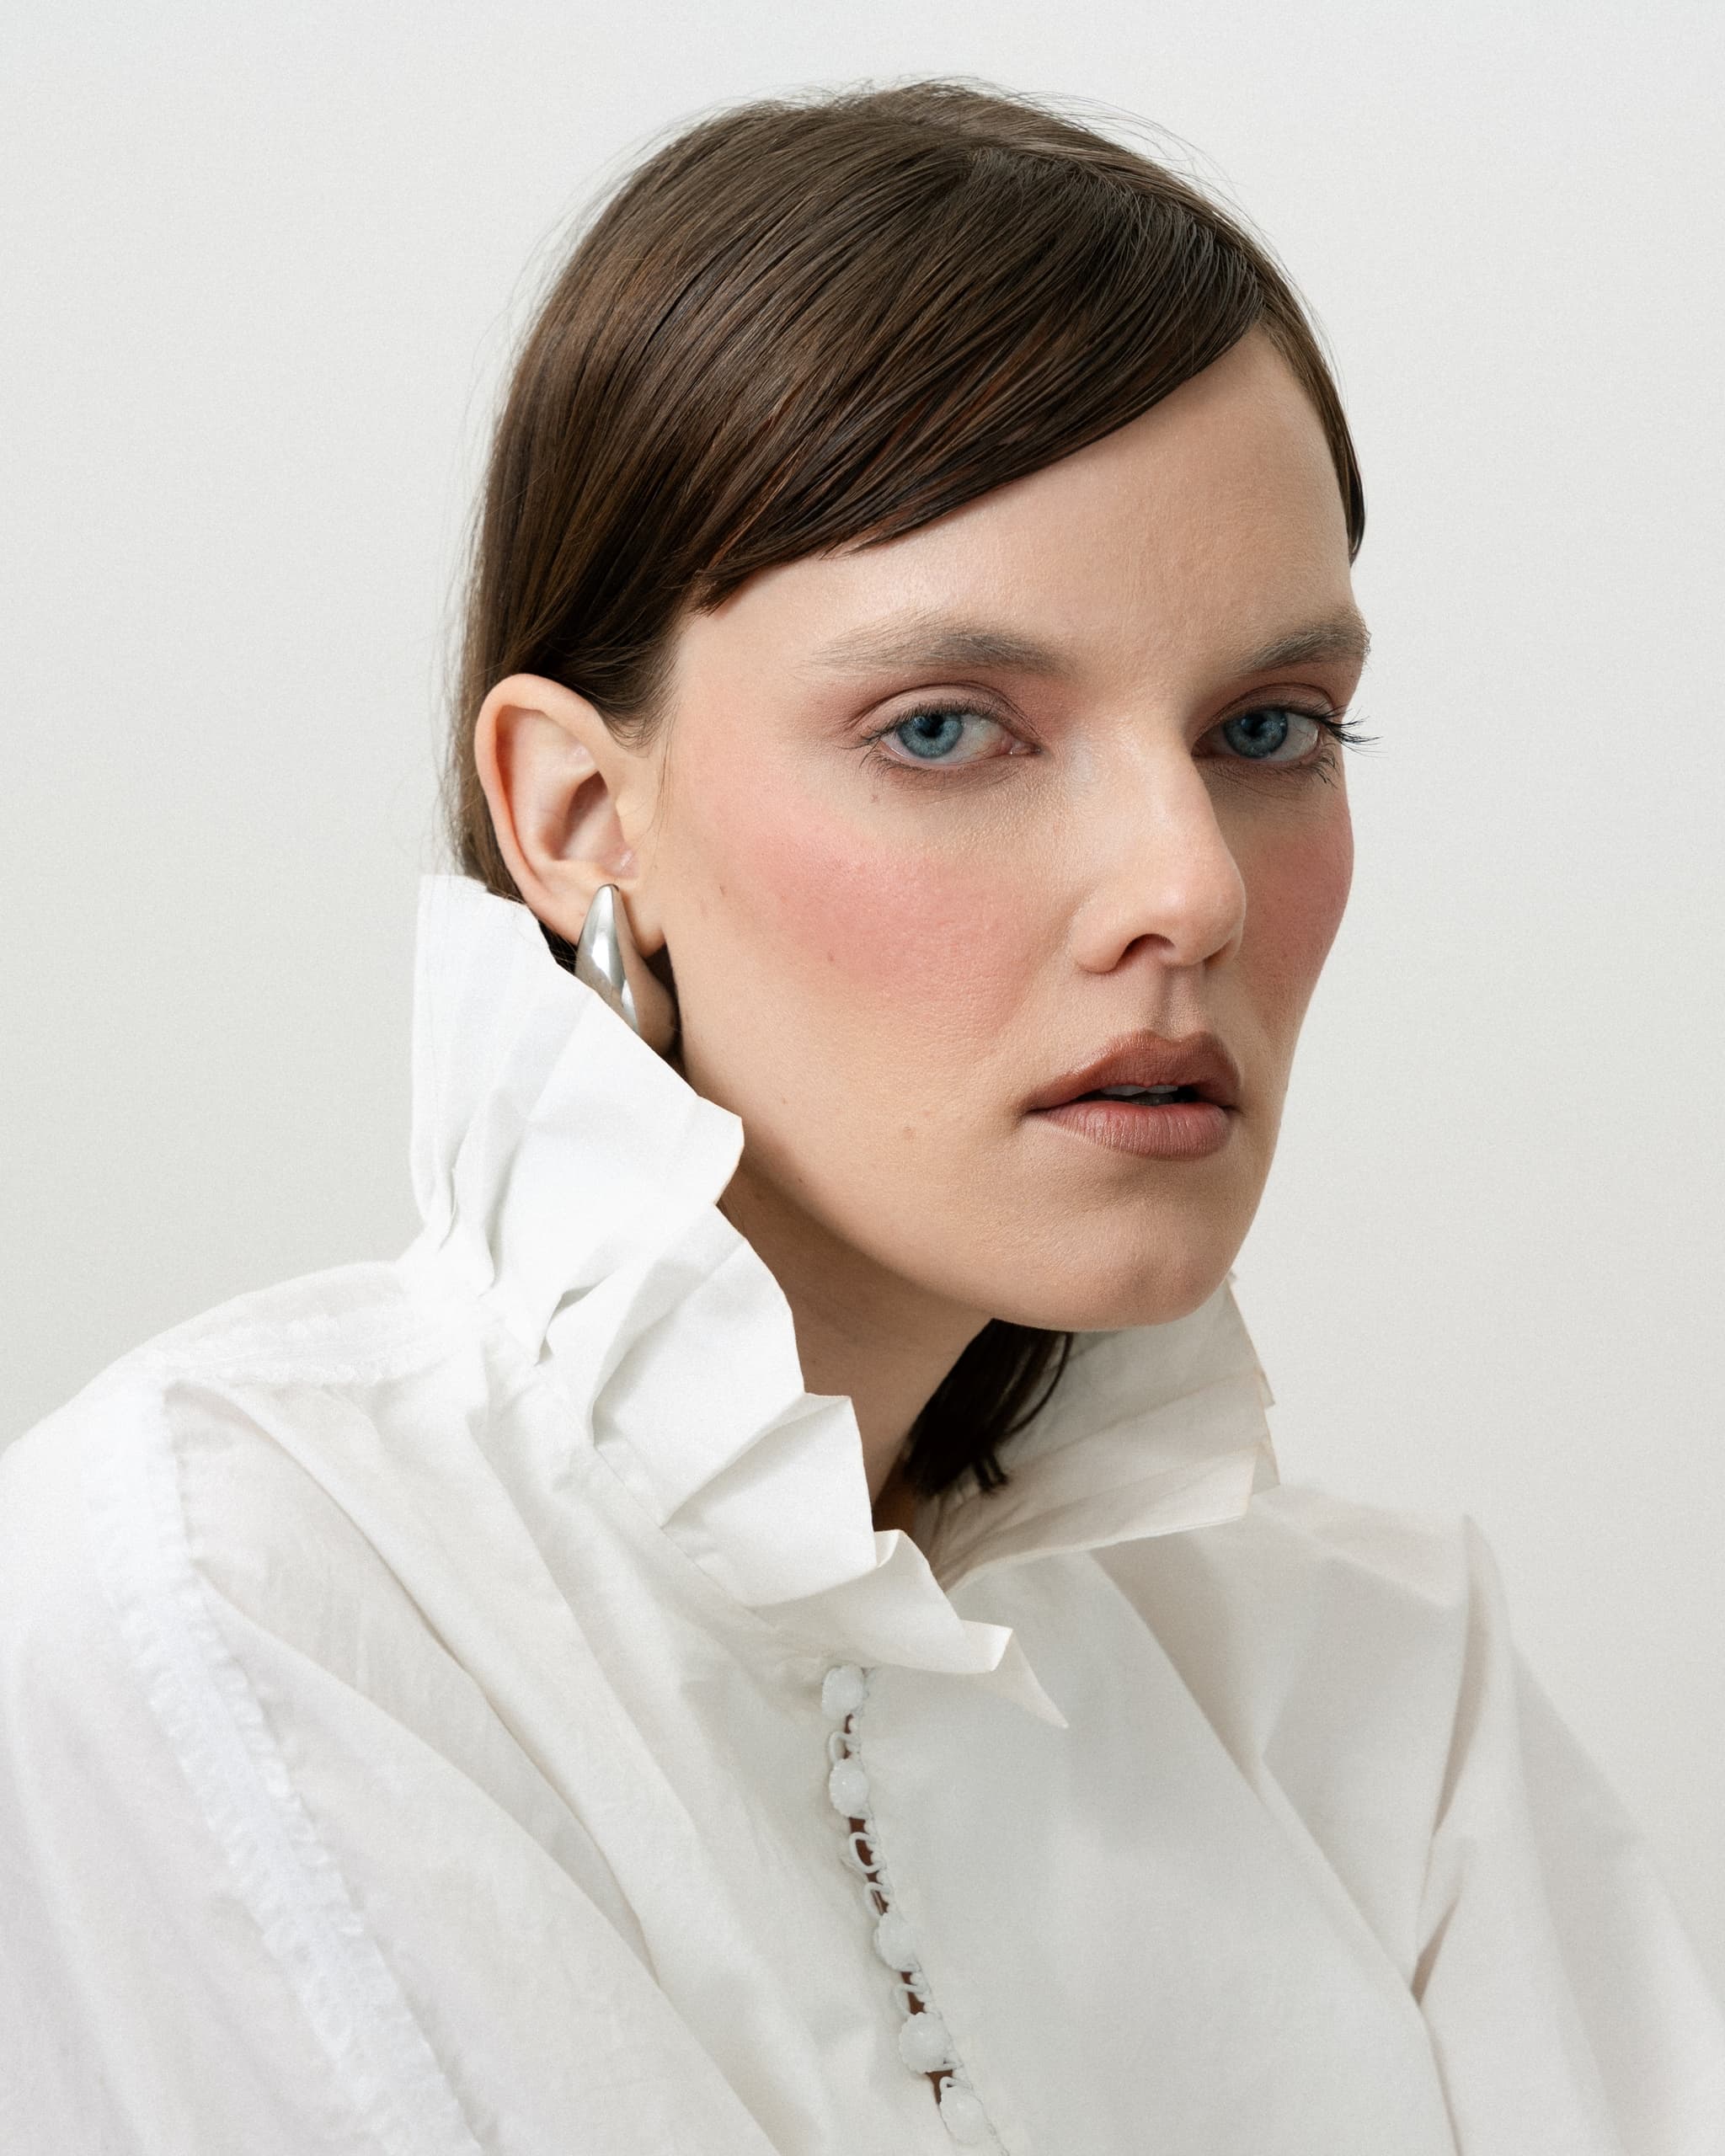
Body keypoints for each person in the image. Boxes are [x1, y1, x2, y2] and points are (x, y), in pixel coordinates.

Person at [2, 76, 1720, 2156]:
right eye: (944, 728)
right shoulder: (240, 1582)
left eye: (1269, 725)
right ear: (577, 811)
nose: (1189, 886)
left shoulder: (1374, 1677)